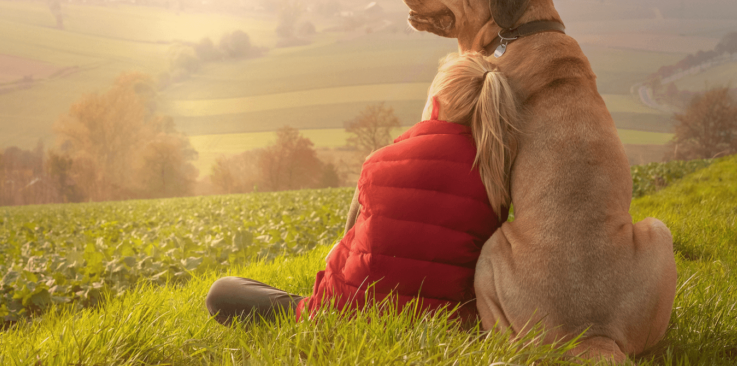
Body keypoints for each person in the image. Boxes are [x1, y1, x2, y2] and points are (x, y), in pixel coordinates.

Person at [205, 52, 520, 325]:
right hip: (445, 325)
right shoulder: (499, 177)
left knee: (223, 291)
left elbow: (345, 259)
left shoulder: (381, 162)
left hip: (341, 315)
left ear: (434, 107)